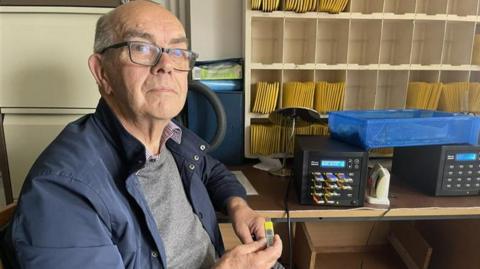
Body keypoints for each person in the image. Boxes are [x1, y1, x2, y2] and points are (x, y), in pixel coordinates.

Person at [2, 0, 282, 268]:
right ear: (102, 73)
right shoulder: (61, 192)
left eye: (177, 52)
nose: (166, 64)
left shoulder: (170, 137)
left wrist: (238, 207)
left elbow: (212, 171)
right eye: (142, 48)